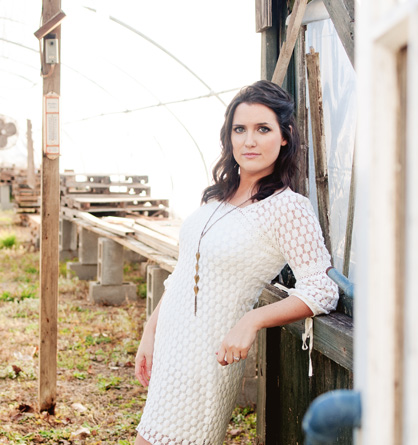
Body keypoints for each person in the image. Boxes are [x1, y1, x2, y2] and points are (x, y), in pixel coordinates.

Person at [134, 80, 339, 444]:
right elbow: (185, 273)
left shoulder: (287, 208)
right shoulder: (216, 198)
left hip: (206, 358)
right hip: (171, 346)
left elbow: (322, 289)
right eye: (239, 129)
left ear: (285, 136)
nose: (249, 141)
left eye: (263, 129)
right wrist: (151, 330)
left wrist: (252, 319)